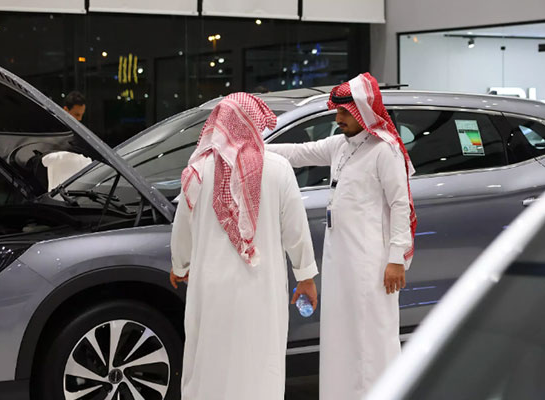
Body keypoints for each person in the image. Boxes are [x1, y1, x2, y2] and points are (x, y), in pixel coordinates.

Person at [268, 72, 417, 400]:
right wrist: (253, 149)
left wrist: (396, 259)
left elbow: (400, 205)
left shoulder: (384, 150)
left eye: (344, 113)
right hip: (340, 260)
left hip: (372, 262)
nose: (337, 119)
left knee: (372, 336)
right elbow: (298, 153)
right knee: (343, 334)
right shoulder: (341, 145)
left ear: (363, 112)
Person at [170, 93, 319, 400]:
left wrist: (180, 264)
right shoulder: (278, 168)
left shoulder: (197, 171)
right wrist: (305, 276)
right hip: (261, 287)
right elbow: (296, 229)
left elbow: (181, 226)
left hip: (210, 286)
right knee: (259, 357)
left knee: (210, 357)